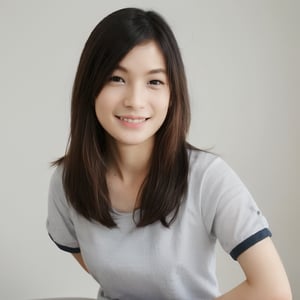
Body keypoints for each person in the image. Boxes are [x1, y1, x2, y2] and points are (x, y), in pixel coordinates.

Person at [47, 7, 292, 300]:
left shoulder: (207, 178)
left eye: (154, 82)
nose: (135, 101)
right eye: (116, 78)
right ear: (90, 87)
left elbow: (273, 291)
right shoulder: (68, 181)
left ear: (172, 94)